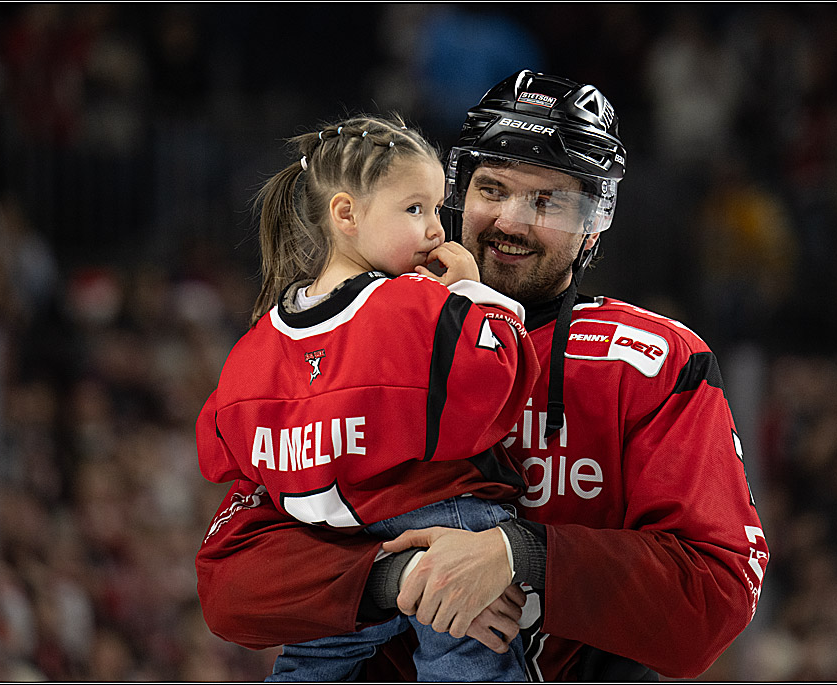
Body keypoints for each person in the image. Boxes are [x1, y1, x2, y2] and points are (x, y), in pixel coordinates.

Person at [195, 72, 770, 681]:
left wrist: (517, 554)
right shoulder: (360, 336)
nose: (511, 221)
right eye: (491, 189)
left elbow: (715, 592)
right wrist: (400, 579)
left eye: (547, 201)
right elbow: (232, 581)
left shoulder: (656, 362)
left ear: (596, 221)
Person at [194, 114, 542, 681]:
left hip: (334, 552)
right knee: (468, 664)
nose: (436, 231)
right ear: (347, 214)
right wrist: (475, 295)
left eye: (436, 209)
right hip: (448, 523)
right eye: (415, 209)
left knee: (308, 663)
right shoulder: (413, 305)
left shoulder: (254, 347)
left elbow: (219, 448)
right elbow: (495, 388)